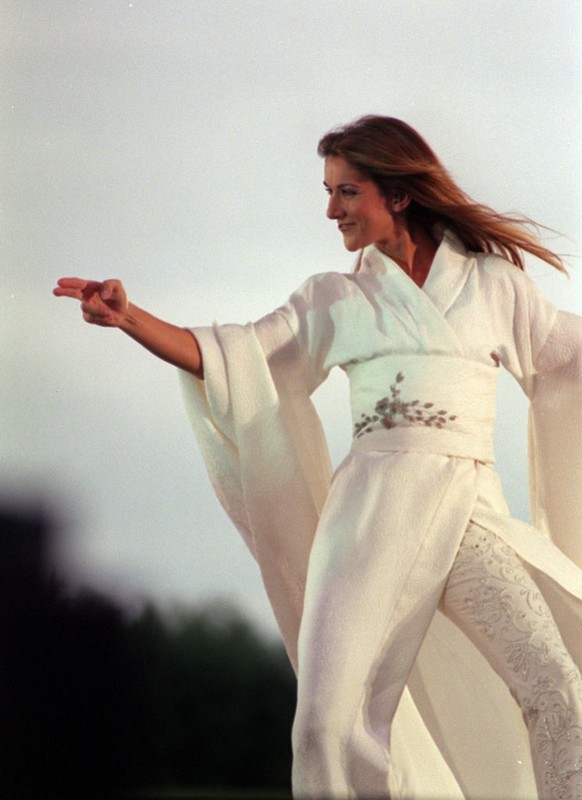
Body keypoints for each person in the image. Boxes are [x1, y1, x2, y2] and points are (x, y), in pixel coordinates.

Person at [54, 116, 582, 799]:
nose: (331, 210)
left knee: (559, 685)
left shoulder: (492, 285)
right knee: (325, 726)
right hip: (368, 525)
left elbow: (566, 359)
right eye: (328, 192)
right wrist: (130, 318)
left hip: (467, 518)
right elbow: (239, 355)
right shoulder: (335, 297)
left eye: (346, 192)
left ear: (399, 194)